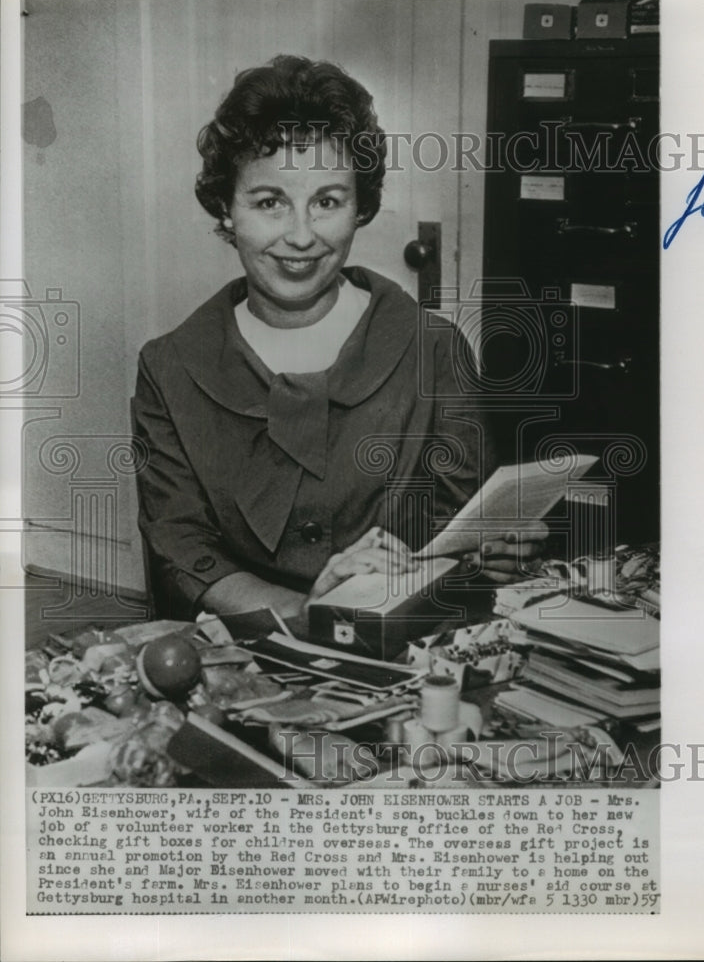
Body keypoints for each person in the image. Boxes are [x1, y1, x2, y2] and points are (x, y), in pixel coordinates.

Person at [133, 55, 546, 623]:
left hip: (405, 652)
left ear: (360, 209)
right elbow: (182, 550)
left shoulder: (435, 349)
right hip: (247, 658)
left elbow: (462, 544)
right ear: (226, 210)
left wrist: (495, 552)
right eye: (269, 202)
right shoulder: (170, 367)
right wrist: (308, 611)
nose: (300, 236)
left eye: (327, 201)